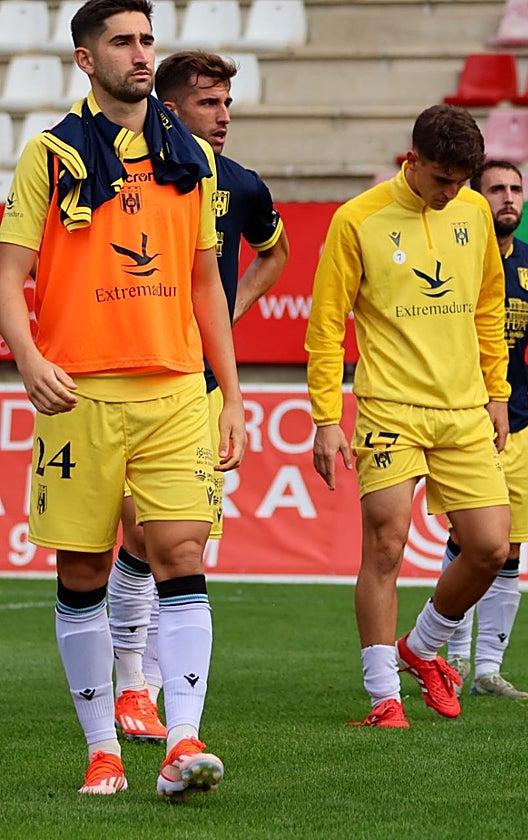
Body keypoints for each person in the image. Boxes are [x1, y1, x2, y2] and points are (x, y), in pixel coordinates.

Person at [0, 0, 246, 799]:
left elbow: (208, 283)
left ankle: (182, 741)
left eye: (147, 39)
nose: (141, 54)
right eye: (122, 41)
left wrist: (232, 396)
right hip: (81, 397)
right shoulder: (50, 155)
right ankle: (103, 749)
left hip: (178, 391)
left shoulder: (194, 160)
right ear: (85, 59)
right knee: (84, 570)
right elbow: (9, 275)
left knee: (180, 555)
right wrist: (27, 357)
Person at [306, 104, 511, 730]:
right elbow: (325, 326)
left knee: (490, 548)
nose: (453, 192)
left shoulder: (473, 211)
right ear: (412, 160)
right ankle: (382, 697)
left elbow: (488, 306)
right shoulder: (357, 219)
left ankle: (421, 649)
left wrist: (498, 393)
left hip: (464, 410)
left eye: (462, 180)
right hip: (390, 408)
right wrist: (325, 417)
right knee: (387, 545)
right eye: (443, 178)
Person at [104, 49, 289, 744]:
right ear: (170, 109)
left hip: (198, 386)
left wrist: (226, 317)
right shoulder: (129, 176)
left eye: (228, 105)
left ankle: (143, 691)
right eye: (210, 104)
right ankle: (130, 681)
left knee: (175, 545)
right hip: (124, 378)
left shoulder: (238, 185)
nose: (224, 118)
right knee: (138, 535)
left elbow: (276, 251)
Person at [442, 160, 528, 701]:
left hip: (519, 420)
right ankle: (452, 659)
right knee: (469, 541)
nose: (508, 198)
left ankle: (488, 670)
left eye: (516, 189)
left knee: (512, 548)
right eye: (496, 188)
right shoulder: (456, 261)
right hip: (463, 417)